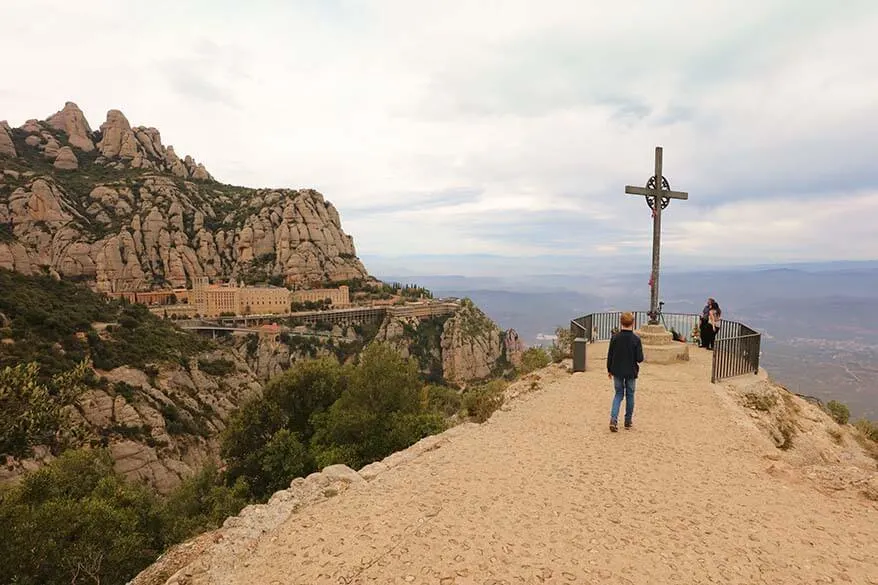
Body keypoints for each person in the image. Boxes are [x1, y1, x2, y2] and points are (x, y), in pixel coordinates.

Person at [606, 312, 644, 432]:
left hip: (617, 370)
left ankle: (613, 419)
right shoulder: (636, 339)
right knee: (630, 395)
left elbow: (610, 355)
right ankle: (627, 421)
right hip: (631, 371)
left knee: (618, 394)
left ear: (620, 322)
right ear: (633, 323)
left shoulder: (615, 338)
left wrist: (609, 369)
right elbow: (640, 358)